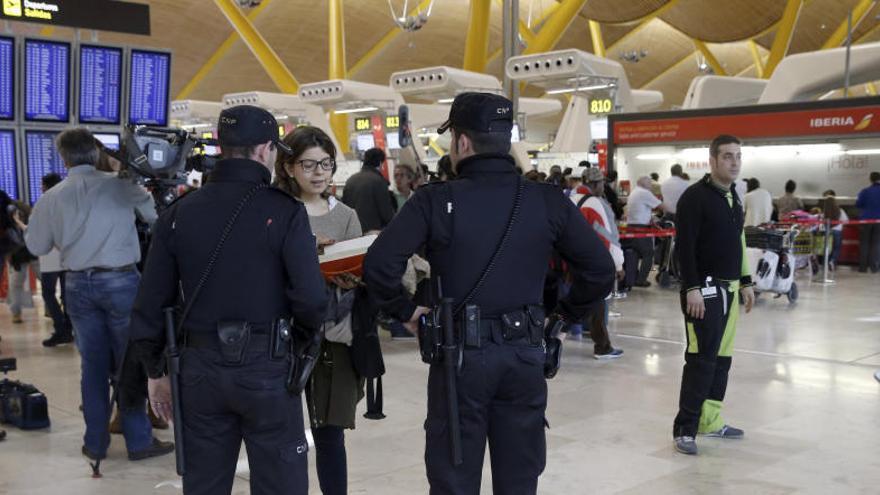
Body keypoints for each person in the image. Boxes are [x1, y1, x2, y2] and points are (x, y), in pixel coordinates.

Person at [363, 92, 615, 494]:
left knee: (454, 478)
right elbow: (601, 270)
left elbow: (379, 265)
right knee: (519, 479)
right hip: (525, 354)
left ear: (462, 143)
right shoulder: (547, 200)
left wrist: (406, 311)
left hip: (459, 359)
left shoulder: (434, 200)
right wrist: (563, 318)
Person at [128, 106, 328, 493]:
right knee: (280, 482)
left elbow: (150, 302)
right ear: (266, 150)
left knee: (204, 482)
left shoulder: (178, 214)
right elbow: (311, 299)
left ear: (224, 146)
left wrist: (156, 373)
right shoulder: (285, 211)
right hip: (268, 363)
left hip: (198, 367)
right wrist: (299, 348)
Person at [24, 128, 170, 463]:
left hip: (76, 284)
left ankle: (96, 442)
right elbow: (156, 218)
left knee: (92, 366)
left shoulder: (51, 197)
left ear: (64, 158)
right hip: (120, 282)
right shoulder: (119, 185)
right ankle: (138, 442)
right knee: (129, 364)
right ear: (95, 153)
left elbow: (36, 246)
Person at [273, 126, 365, 495]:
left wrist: (351, 276)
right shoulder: (277, 211)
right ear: (289, 167)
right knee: (284, 433)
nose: (318, 173)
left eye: (325, 164)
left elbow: (359, 270)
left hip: (332, 337)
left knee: (330, 433)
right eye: (308, 164)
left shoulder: (345, 215)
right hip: (285, 334)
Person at [672, 134, 756, 456]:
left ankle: (711, 420)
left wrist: (746, 281)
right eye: (727, 156)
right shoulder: (694, 198)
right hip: (704, 291)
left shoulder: (734, 197)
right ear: (712, 160)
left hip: (731, 289)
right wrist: (691, 287)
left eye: (738, 156)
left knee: (722, 360)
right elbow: (685, 249)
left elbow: (739, 243)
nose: (734, 162)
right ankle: (685, 429)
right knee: (701, 360)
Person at [12, 173, 73, 346]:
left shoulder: (43, 204)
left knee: (48, 293)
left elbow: (34, 231)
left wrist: (17, 222)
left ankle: (61, 329)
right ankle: (68, 328)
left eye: (41, 185)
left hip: (49, 257)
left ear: (46, 186)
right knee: (66, 295)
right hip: (68, 256)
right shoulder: (68, 202)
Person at [570, 167, 624, 359]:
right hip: (593, 262)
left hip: (571, 261)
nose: (604, 186)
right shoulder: (596, 204)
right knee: (598, 303)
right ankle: (602, 347)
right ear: (595, 184)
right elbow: (607, 236)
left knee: (572, 302)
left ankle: (552, 338)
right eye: (602, 182)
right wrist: (618, 264)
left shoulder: (571, 199)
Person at [342, 147, 395, 232]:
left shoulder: (351, 180)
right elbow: (386, 214)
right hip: (373, 233)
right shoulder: (378, 182)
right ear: (380, 163)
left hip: (352, 232)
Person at [624, 176, 662, 287]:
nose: (651, 185)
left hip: (631, 227)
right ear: (644, 183)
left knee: (635, 253)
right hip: (641, 229)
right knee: (648, 253)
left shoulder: (634, 192)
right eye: (650, 183)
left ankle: (633, 278)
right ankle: (641, 280)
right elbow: (661, 206)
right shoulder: (645, 193)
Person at [6, 200, 39, 324]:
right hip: (23, 255)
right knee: (16, 284)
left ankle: (16, 313)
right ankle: (16, 312)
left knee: (15, 285)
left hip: (27, 254)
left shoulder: (30, 219)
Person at [856, 171, 880, 273]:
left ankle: (862, 268)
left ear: (870, 179)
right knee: (876, 244)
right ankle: (874, 267)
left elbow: (858, 204)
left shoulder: (865, 191)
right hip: (879, 221)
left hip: (865, 220)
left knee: (864, 244)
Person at [822, 190, 848, 270]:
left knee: (827, 247)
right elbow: (846, 221)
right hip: (837, 230)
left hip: (827, 231)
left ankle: (825, 263)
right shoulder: (839, 209)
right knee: (836, 248)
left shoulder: (824, 210)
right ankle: (832, 261)